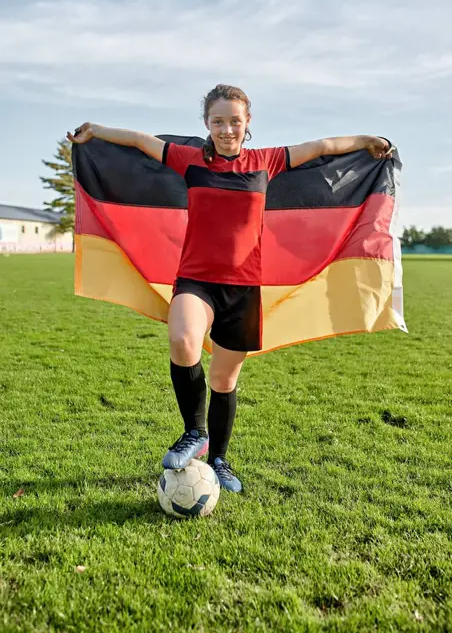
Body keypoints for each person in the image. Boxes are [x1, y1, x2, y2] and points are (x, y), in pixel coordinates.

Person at [67, 83, 392, 493]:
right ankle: (194, 433)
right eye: (218, 121)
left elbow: (323, 145)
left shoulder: (266, 161)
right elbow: (139, 141)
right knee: (183, 338)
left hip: (243, 289)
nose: (226, 129)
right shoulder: (189, 161)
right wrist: (94, 130)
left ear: (247, 122)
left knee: (223, 381)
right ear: (206, 123)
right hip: (195, 280)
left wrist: (366, 141)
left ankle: (219, 459)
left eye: (234, 121)